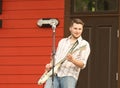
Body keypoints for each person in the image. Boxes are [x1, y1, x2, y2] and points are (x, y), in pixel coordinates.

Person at [44, 18, 90, 88]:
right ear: (70, 28)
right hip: (54, 74)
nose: (77, 31)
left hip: (69, 76)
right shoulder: (62, 41)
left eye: (79, 29)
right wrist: (50, 65)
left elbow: (82, 64)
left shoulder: (84, 44)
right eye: (75, 28)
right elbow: (56, 58)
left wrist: (72, 60)